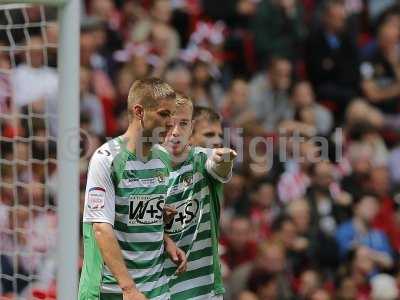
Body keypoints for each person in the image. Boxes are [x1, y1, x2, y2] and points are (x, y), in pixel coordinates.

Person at [78, 78, 186, 300]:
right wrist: (128, 288)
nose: (170, 124)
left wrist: (165, 239)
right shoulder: (106, 158)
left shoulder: (163, 158)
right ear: (139, 112)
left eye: (172, 116)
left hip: (155, 288)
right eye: (164, 114)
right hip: (112, 291)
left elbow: (136, 215)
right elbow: (101, 228)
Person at [161, 95, 236, 299]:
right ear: (189, 135)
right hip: (163, 286)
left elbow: (217, 165)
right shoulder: (150, 170)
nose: (217, 141)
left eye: (220, 135)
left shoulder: (204, 162)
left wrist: (225, 160)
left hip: (205, 287)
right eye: (209, 134)